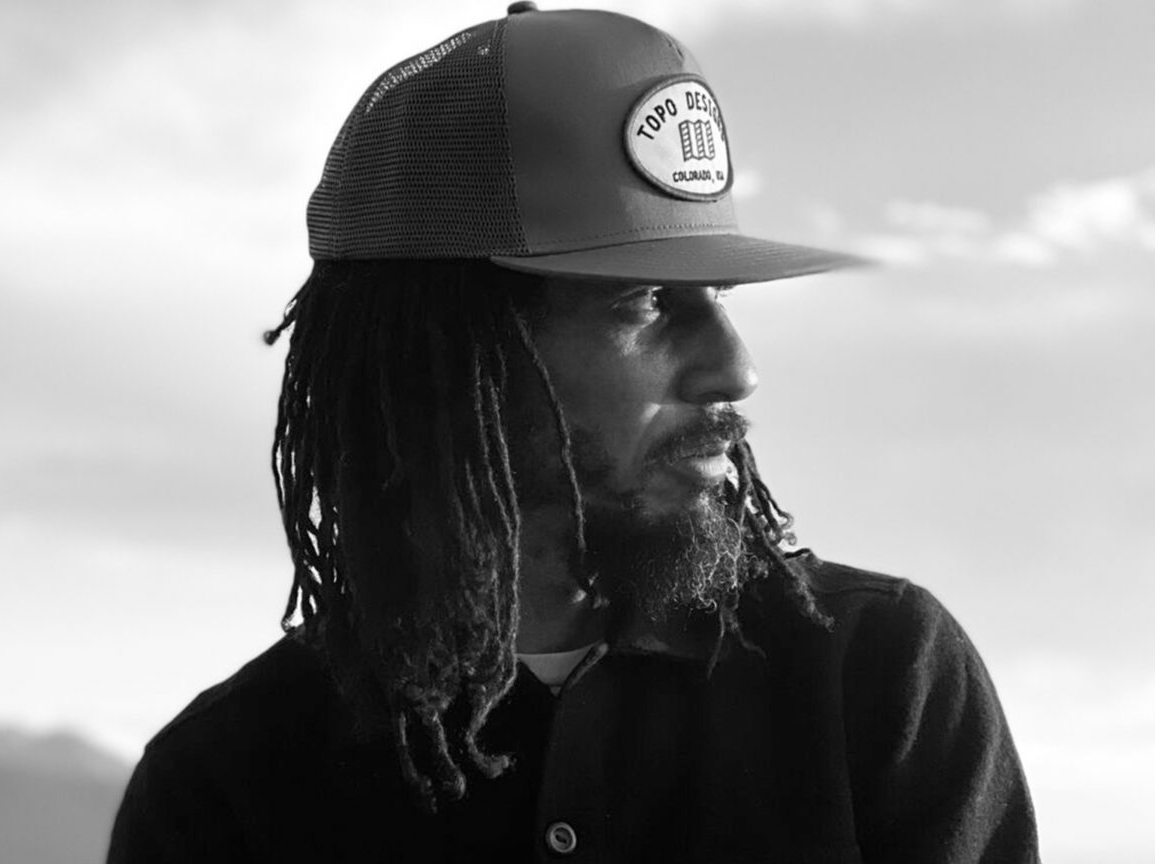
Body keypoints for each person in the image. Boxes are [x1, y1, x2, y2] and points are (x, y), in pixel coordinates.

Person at [108, 4, 1039, 862]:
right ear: (447, 356)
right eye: (646, 302)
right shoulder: (227, 787)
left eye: (718, 295)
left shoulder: (876, 677)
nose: (735, 368)